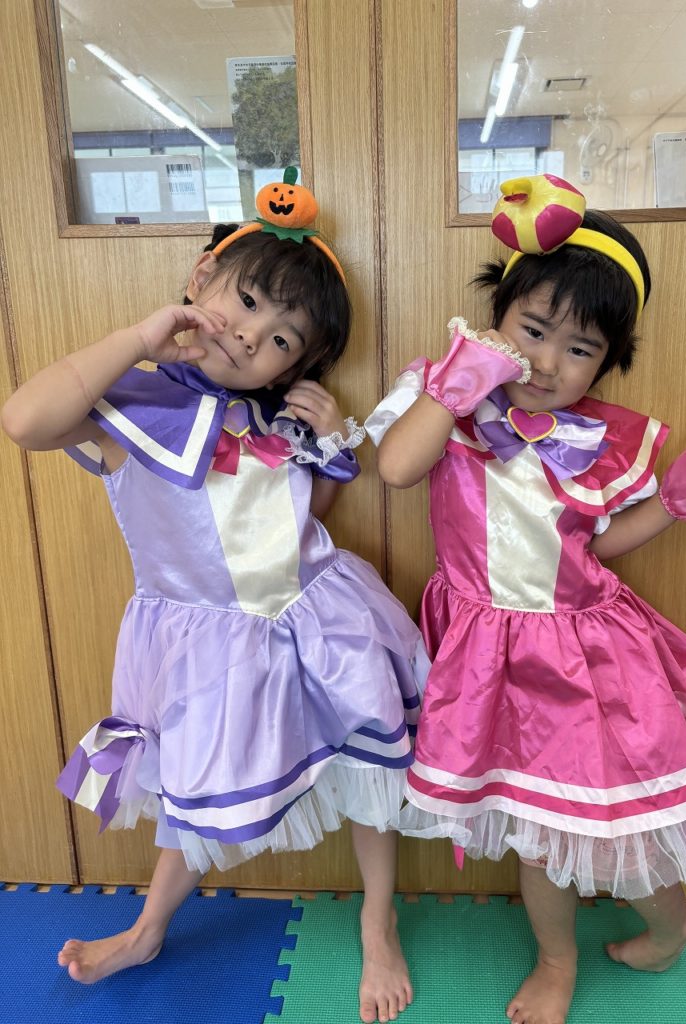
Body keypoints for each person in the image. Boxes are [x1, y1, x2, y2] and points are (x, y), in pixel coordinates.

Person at [2, 169, 423, 1024]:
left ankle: (379, 924)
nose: (251, 334)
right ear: (202, 279)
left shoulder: (274, 419)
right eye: (248, 300)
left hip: (323, 618)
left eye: (281, 338)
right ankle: (148, 929)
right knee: (198, 788)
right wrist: (139, 337)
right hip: (209, 648)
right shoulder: (132, 403)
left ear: (298, 364)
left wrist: (326, 439)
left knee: (367, 762)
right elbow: (24, 420)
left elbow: (302, 517)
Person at [365, 174, 686, 1024]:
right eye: (532, 330)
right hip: (485, 658)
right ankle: (557, 959)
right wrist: (458, 383)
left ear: (607, 363)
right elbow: (395, 469)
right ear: (496, 319)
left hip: (586, 659)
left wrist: (675, 503)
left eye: (579, 348)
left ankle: (673, 924)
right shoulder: (447, 404)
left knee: (613, 826)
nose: (546, 362)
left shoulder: (605, 440)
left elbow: (598, 547)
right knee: (534, 827)